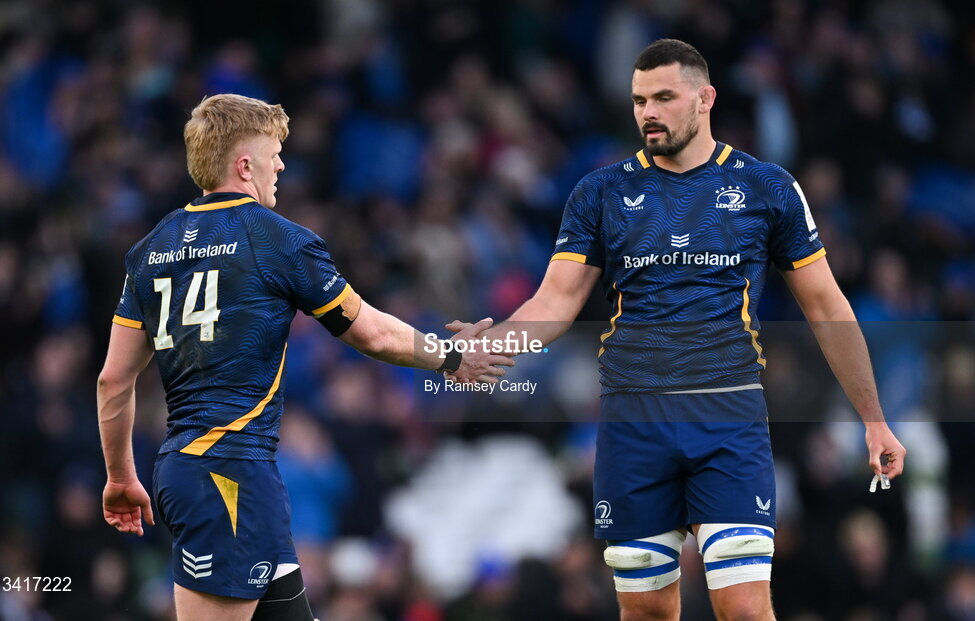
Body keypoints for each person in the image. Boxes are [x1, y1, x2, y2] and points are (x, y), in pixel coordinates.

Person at [448, 39, 906, 621]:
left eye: (664, 97)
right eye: (639, 100)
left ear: (705, 98)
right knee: (647, 612)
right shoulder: (600, 193)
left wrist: (874, 420)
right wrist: (491, 343)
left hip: (728, 417)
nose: (649, 113)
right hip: (633, 423)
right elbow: (555, 304)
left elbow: (828, 307)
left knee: (742, 608)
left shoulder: (766, 187)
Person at [96, 93, 510, 621]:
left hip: (198, 471)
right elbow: (372, 335)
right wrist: (451, 357)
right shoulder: (278, 241)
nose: (282, 165)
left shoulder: (149, 251)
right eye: (274, 153)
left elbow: (114, 381)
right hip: (230, 474)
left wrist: (119, 477)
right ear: (244, 165)